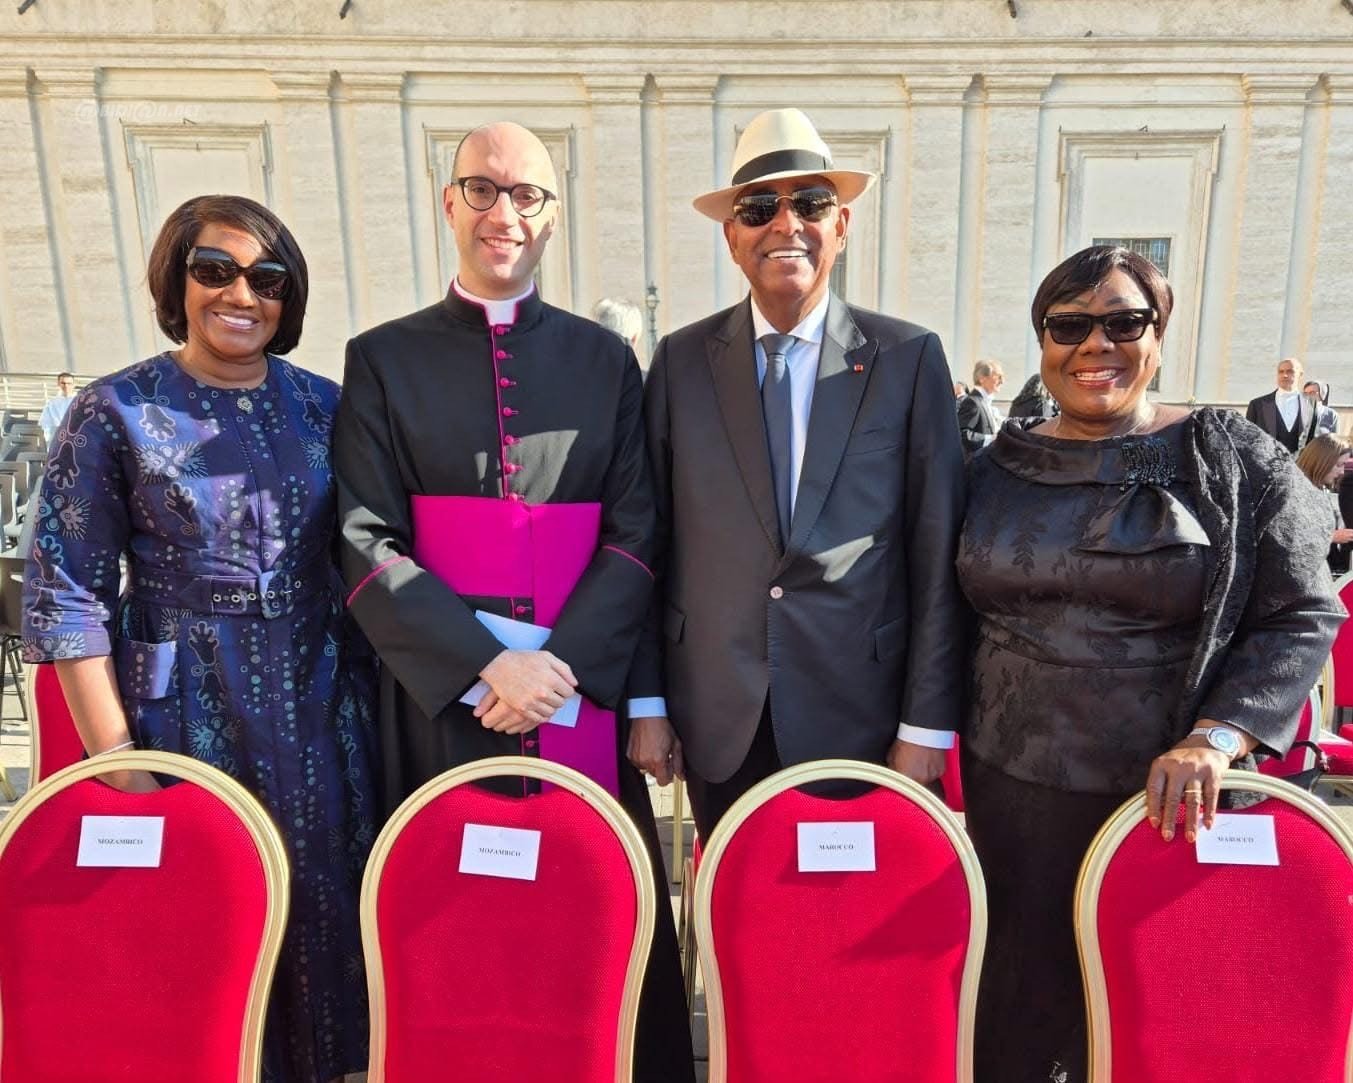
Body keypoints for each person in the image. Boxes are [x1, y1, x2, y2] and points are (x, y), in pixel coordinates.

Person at [332, 121, 694, 1083]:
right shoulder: (379, 358)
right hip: (446, 699)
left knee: (591, 921)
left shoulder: (606, 361)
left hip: (576, 690)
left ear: (552, 214)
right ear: (447, 203)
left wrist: (556, 668)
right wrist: (489, 663)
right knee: (459, 919)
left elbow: (635, 531)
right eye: (481, 189)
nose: (504, 211)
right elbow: (365, 540)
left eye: (526, 193)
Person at [958, 244, 1344, 1083]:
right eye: (1069, 326)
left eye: (1122, 322)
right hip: (1010, 788)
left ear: (1157, 333)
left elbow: (1304, 609)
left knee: (1147, 1010)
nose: (1095, 345)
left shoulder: (1227, 454)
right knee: (1017, 1001)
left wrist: (1220, 735)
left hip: (1166, 796)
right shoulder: (992, 467)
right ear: (1041, 342)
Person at [21, 194, 379, 1083]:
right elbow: (65, 587)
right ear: (176, 279)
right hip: (182, 711)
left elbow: (374, 551)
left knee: (324, 916)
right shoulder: (114, 411)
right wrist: (117, 758)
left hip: (321, 704)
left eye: (266, 278)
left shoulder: (328, 407)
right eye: (214, 269)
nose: (240, 294)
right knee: (204, 925)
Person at [628, 107, 968, 840]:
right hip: (716, 719)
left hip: (863, 720)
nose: (785, 225)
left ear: (840, 224)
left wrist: (925, 726)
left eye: (809, 204)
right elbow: (648, 542)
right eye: (758, 209)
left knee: (843, 935)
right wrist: (648, 704)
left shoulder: (906, 360)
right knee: (733, 928)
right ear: (732, 236)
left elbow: (935, 555)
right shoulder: (681, 363)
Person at [1296, 432, 1353, 575]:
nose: (1341, 472)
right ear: (1322, 461)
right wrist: (1332, 536)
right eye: (1338, 465)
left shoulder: (1321, 489)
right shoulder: (1295, 492)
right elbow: (1290, 538)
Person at [1246, 356, 1316, 453]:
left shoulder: (1312, 403)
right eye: (1281, 372)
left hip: (1300, 464)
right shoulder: (1257, 405)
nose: (1285, 375)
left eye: (1290, 371)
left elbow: (1312, 438)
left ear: (1300, 375)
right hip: (1266, 464)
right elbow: (1248, 439)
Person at [957, 358, 1004, 454]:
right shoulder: (972, 402)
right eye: (998, 376)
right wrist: (992, 439)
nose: (1002, 381)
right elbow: (961, 434)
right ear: (982, 378)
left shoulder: (984, 401)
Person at [37, 371, 76, 443]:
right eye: (63, 383)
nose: (66, 386)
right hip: (56, 439)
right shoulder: (51, 403)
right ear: (58, 384)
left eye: (69, 383)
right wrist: (48, 441)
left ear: (74, 385)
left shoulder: (80, 402)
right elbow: (45, 424)